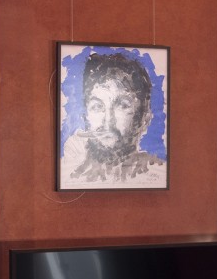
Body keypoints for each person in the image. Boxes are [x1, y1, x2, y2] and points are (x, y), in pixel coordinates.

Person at [64, 50, 164, 185]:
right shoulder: (69, 174)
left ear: (144, 119)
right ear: (85, 117)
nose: (108, 121)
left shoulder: (157, 174)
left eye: (122, 105)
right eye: (97, 106)